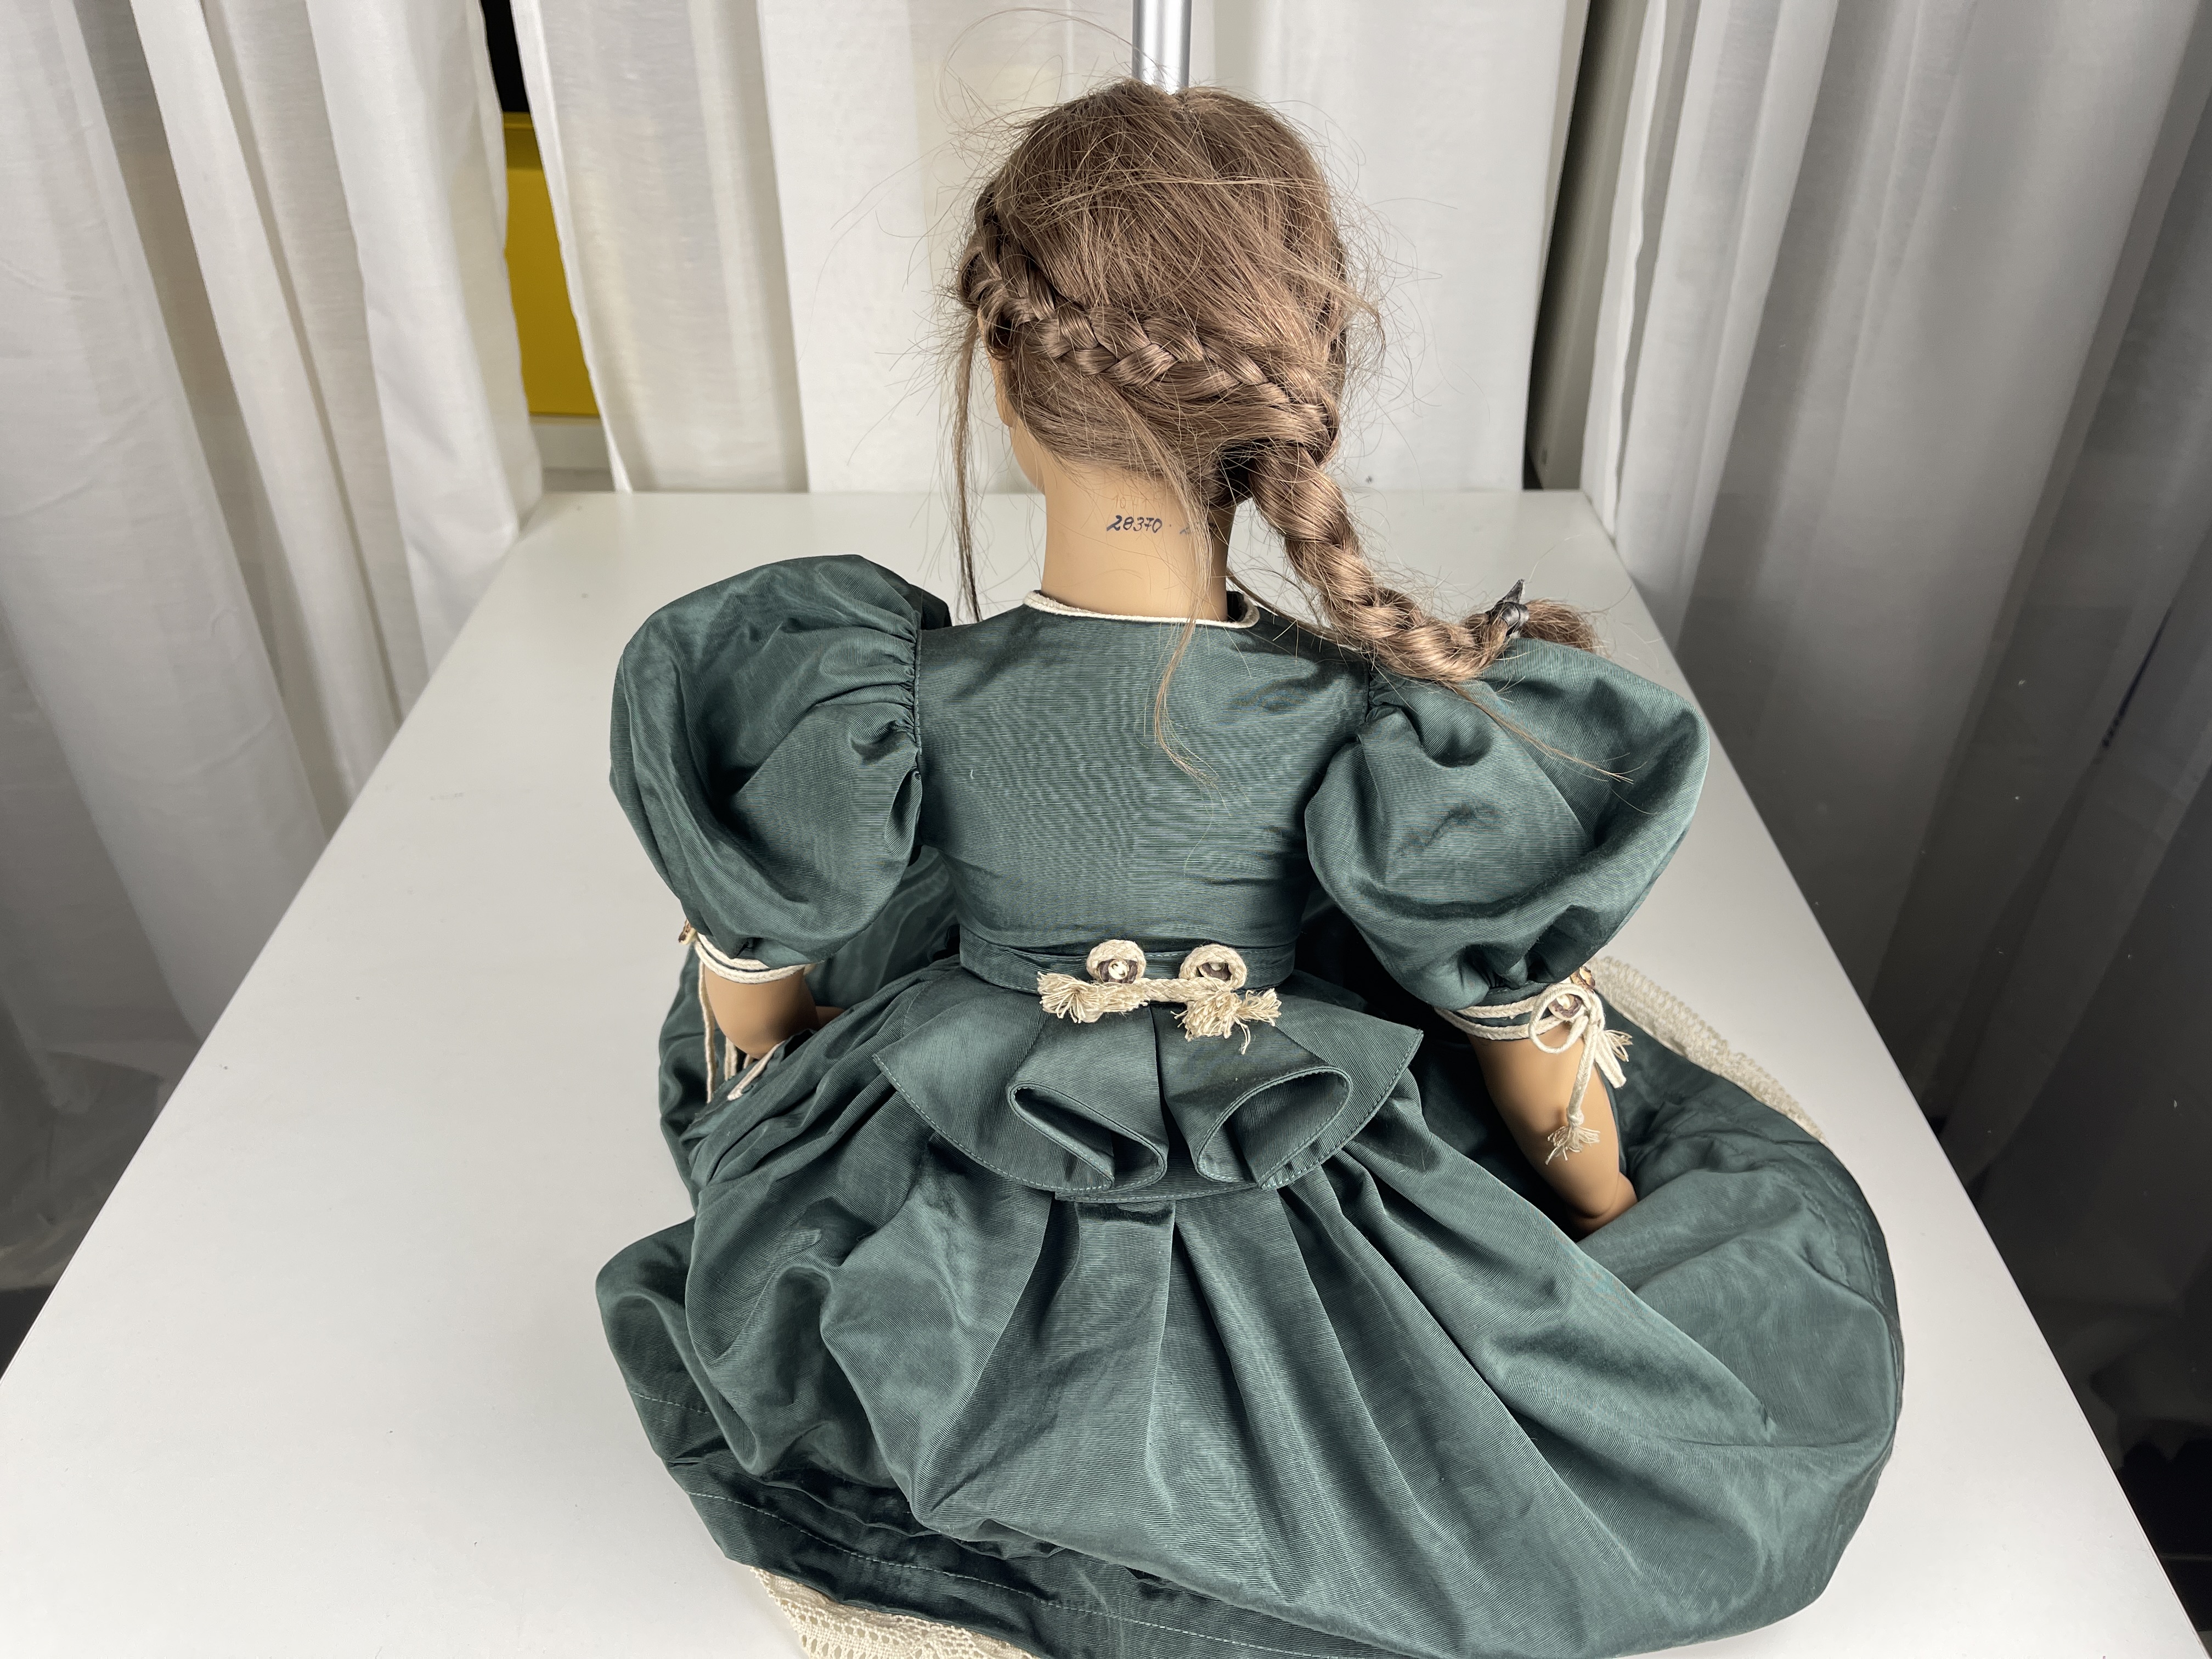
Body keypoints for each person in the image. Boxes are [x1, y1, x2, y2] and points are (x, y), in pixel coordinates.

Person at [597, 77, 1900, 1659]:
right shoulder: (1383, 727)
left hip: (951, 1189)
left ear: (998, 370)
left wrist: (779, 1135)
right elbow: (1526, 1057)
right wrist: (1606, 1220)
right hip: (1304, 1128)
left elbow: (749, 1019)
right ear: (1302, 373)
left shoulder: (874, 701)